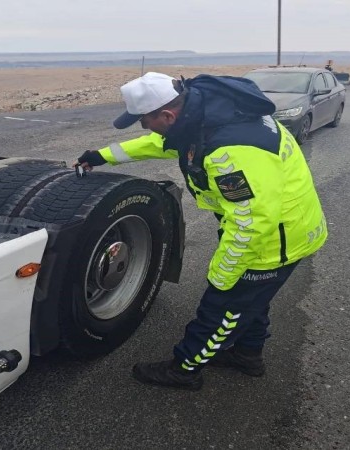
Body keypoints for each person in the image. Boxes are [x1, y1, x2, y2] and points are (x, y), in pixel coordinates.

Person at [73, 72, 328, 390]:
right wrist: (102, 156)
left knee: (221, 306)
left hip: (274, 239)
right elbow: (162, 143)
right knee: (251, 302)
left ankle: (185, 369)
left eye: (144, 121)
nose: (145, 127)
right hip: (282, 227)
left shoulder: (229, 149)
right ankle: (248, 355)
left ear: (167, 114)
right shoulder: (208, 116)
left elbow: (253, 222)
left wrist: (222, 275)